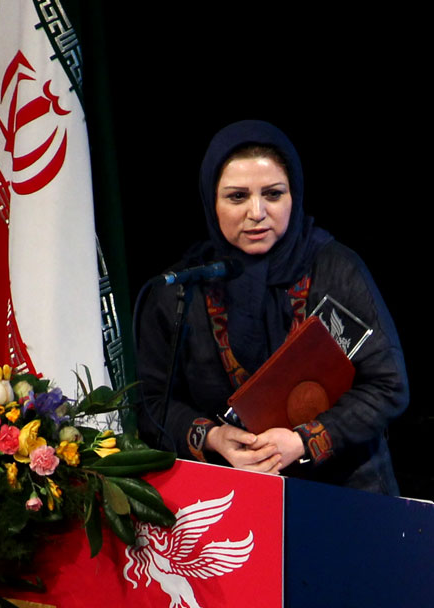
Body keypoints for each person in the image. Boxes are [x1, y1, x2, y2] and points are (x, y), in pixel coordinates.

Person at [136, 121, 408, 494]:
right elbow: (150, 403)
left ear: (294, 195)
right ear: (211, 201)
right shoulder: (182, 289)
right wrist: (215, 438)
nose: (257, 212)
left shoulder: (334, 269)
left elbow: (388, 386)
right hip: (231, 494)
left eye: (273, 194)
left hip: (346, 491)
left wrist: (302, 441)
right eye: (237, 197)